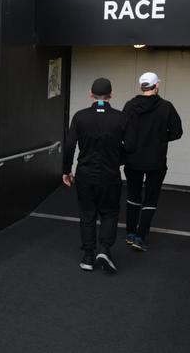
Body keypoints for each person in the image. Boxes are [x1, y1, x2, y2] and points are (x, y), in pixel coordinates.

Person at [63, 78, 133, 274]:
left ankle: (87, 256)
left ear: (90, 94)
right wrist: (117, 160)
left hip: (85, 175)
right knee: (109, 213)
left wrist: (66, 170)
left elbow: (69, 146)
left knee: (87, 214)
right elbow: (130, 147)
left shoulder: (80, 117)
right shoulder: (121, 118)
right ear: (111, 95)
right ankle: (105, 249)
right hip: (110, 175)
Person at [122, 72, 183, 252]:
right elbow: (177, 132)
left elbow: (122, 131)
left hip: (132, 159)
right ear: (156, 86)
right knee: (151, 197)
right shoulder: (166, 107)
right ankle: (140, 237)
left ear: (142, 87)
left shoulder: (129, 106)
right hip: (156, 160)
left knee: (133, 196)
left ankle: (130, 233)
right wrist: (160, 139)